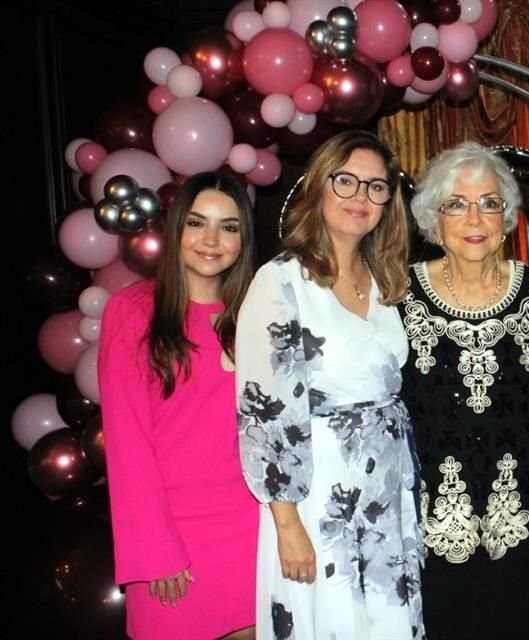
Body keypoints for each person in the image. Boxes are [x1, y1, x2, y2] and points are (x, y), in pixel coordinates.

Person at [235, 129, 424, 640]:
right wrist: (287, 523)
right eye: (346, 182)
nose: (360, 198)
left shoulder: (388, 280)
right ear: (320, 185)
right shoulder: (281, 282)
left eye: (376, 187)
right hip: (316, 497)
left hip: (386, 487)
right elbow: (264, 415)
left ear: (389, 202)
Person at [98, 172, 258, 640]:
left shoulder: (257, 313)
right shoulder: (133, 310)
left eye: (229, 227)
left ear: (243, 239)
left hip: (249, 531)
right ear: (176, 231)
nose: (212, 240)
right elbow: (127, 444)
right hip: (169, 538)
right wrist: (155, 550)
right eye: (197, 223)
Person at [401, 141, 529, 639]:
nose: (475, 218)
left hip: (521, 510)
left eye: (490, 203)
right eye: (456, 204)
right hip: (433, 515)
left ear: (507, 217)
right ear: (432, 218)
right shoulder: (397, 295)